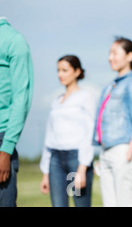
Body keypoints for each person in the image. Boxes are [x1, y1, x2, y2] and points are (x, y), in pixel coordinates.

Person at [93, 37, 132, 207]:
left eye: (115, 53)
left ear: (130, 56)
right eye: (110, 53)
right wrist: (103, 153)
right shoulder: (110, 86)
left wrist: (128, 154)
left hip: (123, 151)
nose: (110, 57)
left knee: (126, 203)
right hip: (106, 151)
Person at [39, 55, 96, 207]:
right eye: (58, 70)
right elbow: (49, 137)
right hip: (55, 161)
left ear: (77, 72)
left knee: (79, 203)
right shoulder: (56, 100)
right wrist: (45, 173)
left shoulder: (85, 97)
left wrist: (82, 168)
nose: (60, 74)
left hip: (75, 160)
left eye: (65, 70)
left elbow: (89, 133)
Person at [0, 17, 34, 207]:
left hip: (2, 140)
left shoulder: (14, 41)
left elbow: (21, 98)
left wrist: (6, 148)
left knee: (75, 196)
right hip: (56, 159)